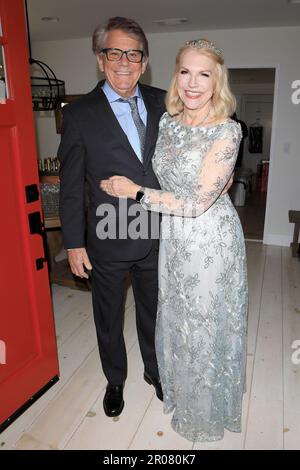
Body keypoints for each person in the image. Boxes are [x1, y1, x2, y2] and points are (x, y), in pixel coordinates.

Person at [101, 38, 248, 442]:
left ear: (218, 81)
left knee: (205, 325)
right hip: (174, 238)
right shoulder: (167, 121)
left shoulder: (228, 130)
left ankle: (205, 412)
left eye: (204, 74)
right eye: (185, 71)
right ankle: (181, 394)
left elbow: (198, 201)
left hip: (209, 241)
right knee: (179, 322)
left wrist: (134, 192)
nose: (193, 83)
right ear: (174, 75)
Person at [58, 17, 166, 418]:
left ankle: (155, 371)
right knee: (108, 315)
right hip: (107, 235)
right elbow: (71, 185)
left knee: (155, 310)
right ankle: (115, 379)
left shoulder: (163, 101)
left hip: (158, 231)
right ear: (101, 60)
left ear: (145, 60)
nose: (124, 61)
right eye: (114, 52)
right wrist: (73, 242)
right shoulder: (80, 113)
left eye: (133, 53)